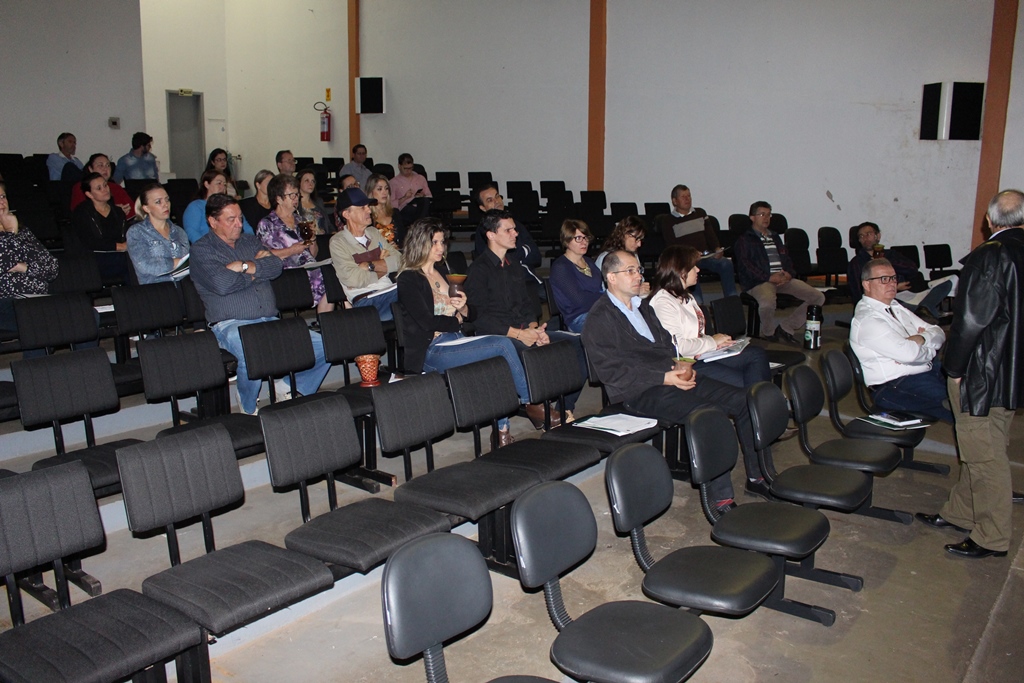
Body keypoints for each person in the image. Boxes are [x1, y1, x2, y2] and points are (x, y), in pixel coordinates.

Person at [582, 249, 768, 511]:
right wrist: (663, 377)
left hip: (670, 375)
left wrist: (682, 365)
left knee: (745, 401)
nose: (638, 276)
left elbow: (668, 345)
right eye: (630, 271)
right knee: (708, 414)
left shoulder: (643, 308)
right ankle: (721, 499)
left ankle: (758, 477)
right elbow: (611, 372)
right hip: (638, 391)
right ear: (611, 277)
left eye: (639, 270)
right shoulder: (599, 318)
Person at [916, 190, 1024, 559]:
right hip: (1012, 370)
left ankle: (991, 537)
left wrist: (956, 368)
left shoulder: (991, 255)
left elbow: (971, 321)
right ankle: (960, 512)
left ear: (989, 221)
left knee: (984, 457)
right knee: (984, 446)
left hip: (984, 372)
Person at [397, 218, 547, 444]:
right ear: (419, 244)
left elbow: (473, 314)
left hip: (456, 340)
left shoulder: (445, 272)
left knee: (496, 359)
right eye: (434, 243)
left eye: (442, 242)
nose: (440, 248)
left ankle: (502, 432)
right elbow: (426, 322)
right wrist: (457, 321)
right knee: (502, 344)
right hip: (432, 349)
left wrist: (464, 308)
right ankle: (532, 401)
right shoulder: (409, 279)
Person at [190, 194, 330, 415]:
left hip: (269, 320)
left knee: (326, 345)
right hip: (230, 324)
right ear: (213, 221)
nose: (239, 224)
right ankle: (247, 405)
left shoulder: (249, 241)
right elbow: (222, 284)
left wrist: (243, 266)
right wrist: (257, 267)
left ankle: (288, 387)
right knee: (252, 351)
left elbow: (275, 266)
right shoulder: (202, 250)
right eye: (231, 219)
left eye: (240, 218)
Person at [465, 209, 588, 423]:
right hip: (500, 335)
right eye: (509, 230)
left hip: (523, 330)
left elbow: (526, 304)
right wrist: (520, 334)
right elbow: (479, 318)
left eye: (515, 229)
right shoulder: (479, 270)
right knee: (530, 351)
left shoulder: (514, 265)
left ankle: (564, 408)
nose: (516, 234)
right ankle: (538, 406)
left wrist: (535, 328)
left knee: (578, 343)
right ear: (491, 235)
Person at [648, 245, 770, 388]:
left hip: (700, 354)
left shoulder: (686, 296)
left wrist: (717, 342)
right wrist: (712, 341)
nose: (698, 270)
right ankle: (762, 399)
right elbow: (678, 346)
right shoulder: (663, 302)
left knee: (756, 354)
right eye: (693, 267)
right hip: (685, 363)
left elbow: (695, 335)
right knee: (748, 378)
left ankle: (764, 398)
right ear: (681, 271)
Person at [849, 258, 951, 423]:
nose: (891, 283)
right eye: (884, 279)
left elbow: (938, 332)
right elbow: (909, 354)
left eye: (893, 278)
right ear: (867, 284)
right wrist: (930, 349)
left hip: (926, 371)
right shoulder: (868, 320)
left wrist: (921, 338)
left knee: (971, 393)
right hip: (895, 386)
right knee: (960, 407)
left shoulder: (894, 306)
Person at [734, 201, 825, 344]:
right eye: (762, 214)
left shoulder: (775, 237)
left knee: (818, 297)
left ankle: (786, 328)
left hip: (782, 279)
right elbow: (746, 266)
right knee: (767, 303)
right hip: (759, 281)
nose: (766, 218)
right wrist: (768, 277)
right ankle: (769, 334)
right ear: (752, 217)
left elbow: (787, 259)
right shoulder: (744, 240)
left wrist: (789, 273)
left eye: (769, 215)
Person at [256, 174, 332, 314]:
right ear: (278, 198)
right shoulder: (267, 224)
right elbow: (264, 255)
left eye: (297, 195)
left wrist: (312, 239)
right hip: (286, 273)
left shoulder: (300, 220)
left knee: (330, 274)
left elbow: (312, 254)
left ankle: (325, 322)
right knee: (323, 277)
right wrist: (292, 250)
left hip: (307, 268)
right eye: (292, 195)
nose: (296, 198)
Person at [847, 221, 956, 318]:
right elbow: (859, 292)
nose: (865, 238)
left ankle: (925, 308)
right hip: (887, 300)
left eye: (868, 234)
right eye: (861, 236)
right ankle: (925, 310)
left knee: (951, 281)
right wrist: (893, 287)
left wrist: (886, 261)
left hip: (907, 294)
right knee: (918, 312)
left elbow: (912, 270)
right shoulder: (856, 263)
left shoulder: (891, 254)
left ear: (878, 236)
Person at [329, 187, 401, 321]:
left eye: (368, 206)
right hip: (366, 301)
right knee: (415, 294)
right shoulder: (338, 242)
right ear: (347, 214)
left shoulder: (373, 233)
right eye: (362, 207)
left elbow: (399, 261)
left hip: (389, 292)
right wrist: (384, 267)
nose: (369, 210)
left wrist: (369, 265)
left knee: (420, 289)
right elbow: (354, 279)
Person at [655, 184, 736, 300]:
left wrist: (717, 248)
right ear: (674, 201)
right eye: (683, 197)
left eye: (689, 196)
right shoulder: (668, 220)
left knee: (726, 264)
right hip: (686, 259)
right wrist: (690, 254)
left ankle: (732, 299)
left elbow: (710, 235)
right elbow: (672, 245)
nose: (687, 199)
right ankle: (698, 302)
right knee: (690, 271)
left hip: (706, 256)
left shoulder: (700, 213)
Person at [0, 181, 59, 335]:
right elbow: (5, 262)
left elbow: (52, 268)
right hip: (5, 301)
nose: (2, 202)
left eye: (3, 196)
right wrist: (10, 232)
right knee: (39, 319)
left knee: (85, 314)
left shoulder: (23, 232)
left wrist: (23, 267)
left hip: (36, 298)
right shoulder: (14, 230)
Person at [471, 182, 544, 301]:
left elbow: (536, 257)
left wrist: (517, 253)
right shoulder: (484, 232)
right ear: (483, 208)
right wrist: (524, 251)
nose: (496, 201)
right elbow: (498, 262)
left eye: (497, 196)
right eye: (490, 200)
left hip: (529, 280)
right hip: (508, 287)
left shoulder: (516, 224)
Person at [126, 182, 189, 285]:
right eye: (158, 202)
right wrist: (176, 262)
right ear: (146, 208)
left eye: (167, 199)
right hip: (155, 288)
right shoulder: (136, 232)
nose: (166, 205)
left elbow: (188, 263)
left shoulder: (179, 231)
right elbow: (145, 265)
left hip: (183, 287)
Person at [71, 172, 129, 284]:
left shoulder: (118, 212)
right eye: (99, 188)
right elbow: (89, 242)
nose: (105, 189)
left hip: (119, 254)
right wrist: (119, 246)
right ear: (89, 194)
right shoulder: (82, 212)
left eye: (105, 185)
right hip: (95, 258)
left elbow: (125, 235)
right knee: (129, 262)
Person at [548, 219, 602, 332]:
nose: (584, 242)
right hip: (578, 318)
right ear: (566, 241)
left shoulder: (589, 262)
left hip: (599, 311)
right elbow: (579, 301)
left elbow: (599, 289)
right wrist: (609, 297)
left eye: (586, 237)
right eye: (578, 238)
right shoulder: (561, 267)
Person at [183, 169, 255, 243]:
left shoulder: (230, 207)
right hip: (208, 246)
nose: (223, 187)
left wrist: (251, 243)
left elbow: (247, 229)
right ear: (207, 184)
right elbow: (191, 232)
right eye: (219, 183)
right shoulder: (196, 206)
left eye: (225, 184)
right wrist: (206, 246)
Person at [594, 217, 652, 296]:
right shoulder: (605, 258)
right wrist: (636, 291)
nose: (639, 244)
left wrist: (642, 287)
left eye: (641, 240)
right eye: (637, 239)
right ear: (625, 235)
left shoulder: (633, 255)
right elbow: (603, 291)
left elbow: (640, 281)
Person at [70, 153, 135, 219]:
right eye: (100, 165)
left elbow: (133, 210)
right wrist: (114, 211)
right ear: (90, 169)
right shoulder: (81, 187)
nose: (105, 169)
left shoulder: (116, 187)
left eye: (108, 165)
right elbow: (79, 214)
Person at [364, 173, 405, 247]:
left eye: (386, 188)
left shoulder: (395, 213)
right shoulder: (366, 216)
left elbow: (404, 239)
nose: (384, 192)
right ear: (371, 192)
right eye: (379, 189)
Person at [389, 153, 431, 224]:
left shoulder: (420, 178)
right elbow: (391, 204)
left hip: (420, 206)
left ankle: (418, 225)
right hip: (405, 209)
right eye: (405, 168)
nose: (408, 171)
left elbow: (429, 196)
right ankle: (419, 225)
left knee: (425, 202)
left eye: (410, 168)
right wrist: (405, 197)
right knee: (412, 209)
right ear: (399, 166)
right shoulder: (393, 182)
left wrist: (422, 195)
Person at [296, 168, 331, 235]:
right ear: (299, 183)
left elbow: (328, 224)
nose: (311, 184)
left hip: (322, 237)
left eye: (313, 181)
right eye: (307, 181)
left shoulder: (319, 202)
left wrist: (332, 232)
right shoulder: (295, 204)